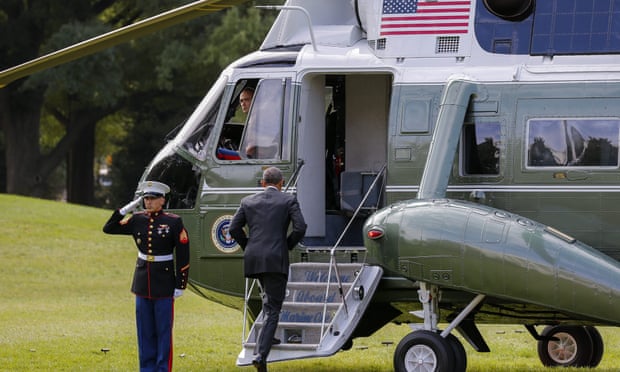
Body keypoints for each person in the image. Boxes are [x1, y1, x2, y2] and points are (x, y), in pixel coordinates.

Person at [103, 181, 190, 372]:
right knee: (145, 333)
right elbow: (108, 228)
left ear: (162, 200)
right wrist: (127, 208)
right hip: (143, 282)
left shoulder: (173, 222)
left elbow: (183, 254)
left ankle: (162, 369)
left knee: (163, 333)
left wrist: (180, 284)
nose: (148, 202)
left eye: (152, 198)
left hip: (164, 283)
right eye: (146, 199)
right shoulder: (137, 219)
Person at [229, 167, 307, 372]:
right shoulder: (288, 200)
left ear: (263, 183)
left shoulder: (247, 201)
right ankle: (260, 355)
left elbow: (233, 229)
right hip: (275, 259)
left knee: (267, 300)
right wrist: (286, 245)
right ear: (281, 183)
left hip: (254, 258)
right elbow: (301, 228)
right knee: (273, 309)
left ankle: (268, 338)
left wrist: (249, 246)